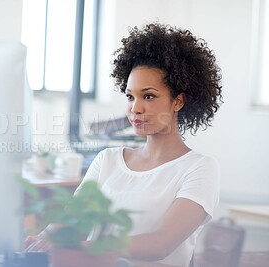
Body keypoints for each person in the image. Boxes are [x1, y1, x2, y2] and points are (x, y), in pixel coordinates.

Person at [25, 22, 223, 267]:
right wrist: (40, 241)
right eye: (130, 96)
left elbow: (160, 244)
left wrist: (86, 246)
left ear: (178, 102)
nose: (135, 108)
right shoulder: (108, 160)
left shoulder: (199, 168)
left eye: (148, 96)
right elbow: (69, 222)